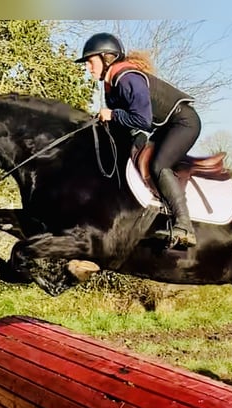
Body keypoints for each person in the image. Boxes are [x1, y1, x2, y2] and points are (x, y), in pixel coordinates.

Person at [75, 32, 199, 249]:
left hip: (184, 124)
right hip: (164, 127)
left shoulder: (127, 79)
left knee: (158, 165)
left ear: (107, 58)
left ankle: (184, 226)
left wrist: (112, 115)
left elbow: (142, 119)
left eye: (90, 61)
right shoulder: (113, 84)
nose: (88, 68)